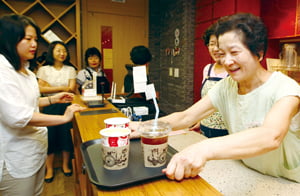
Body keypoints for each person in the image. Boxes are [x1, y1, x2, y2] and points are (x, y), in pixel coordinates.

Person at [130, 13, 300, 183]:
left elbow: (271, 136)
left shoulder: (286, 88)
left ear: (259, 53)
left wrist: (203, 149)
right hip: (250, 173)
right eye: (222, 53)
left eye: (234, 52)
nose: (227, 61)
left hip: (288, 182)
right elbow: (187, 117)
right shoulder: (227, 86)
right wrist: (142, 127)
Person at [0, 14, 85, 196]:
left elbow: (29, 102)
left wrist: (53, 98)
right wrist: (64, 117)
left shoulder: (27, 71)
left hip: (34, 152)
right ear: (8, 39)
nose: (34, 44)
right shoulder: (2, 71)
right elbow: (18, 115)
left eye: (36, 39)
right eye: (28, 39)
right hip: (16, 157)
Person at [36, 41, 77, 183]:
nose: (62, 53)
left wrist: (51, 86)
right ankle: (50, 169)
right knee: (50, 137)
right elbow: (40, 89)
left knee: (66, 135)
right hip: (49, 106)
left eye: (64, 51)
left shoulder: (70, 69)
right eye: (59, 50)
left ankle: (66, 165)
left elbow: (71, 89)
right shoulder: (44, 70)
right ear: (51, 52)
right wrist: (62, 88)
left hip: (66, 104)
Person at [190, 23, 228, 137]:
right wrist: (200, 120)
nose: (215, 49)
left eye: (220, 44)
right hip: (205, 128)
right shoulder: (208, 69)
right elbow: (205, 101)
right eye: (212, 44)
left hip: (227, 132)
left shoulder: (234, 72)